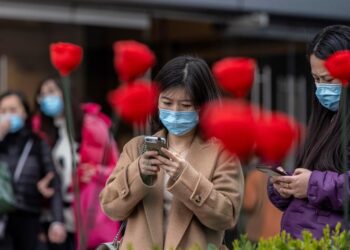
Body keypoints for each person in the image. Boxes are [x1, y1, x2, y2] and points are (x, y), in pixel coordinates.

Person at [99, 55, 244, 250]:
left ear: (202, 106)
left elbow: (226, 217)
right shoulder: (136, 148)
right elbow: (110, 207)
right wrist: (137, 172)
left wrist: (185, 177)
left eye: (185, 105)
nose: (175, 112)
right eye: (166, 103)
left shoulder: (223, 153)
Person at [268, 25, 350, 239]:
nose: (322, 88)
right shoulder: (325, 118)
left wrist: (312, 184)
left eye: (329, 80)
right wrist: (286, 186)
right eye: (317, 79)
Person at [32, 77, 120, 250]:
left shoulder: (94, 126)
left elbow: (117, 169)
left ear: (65, 92)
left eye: (51, 91)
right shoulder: (41, 132)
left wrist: (95, 172)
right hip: (55, 218)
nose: (46, 98)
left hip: (89, 215)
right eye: (42, 95)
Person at [0, 91, 65, 250]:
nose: (8, 115)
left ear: (24, 113)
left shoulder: (37, 142)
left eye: (13, 110)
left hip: (30, 218)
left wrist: (57, 221)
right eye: (3, 111)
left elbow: (53, 180)